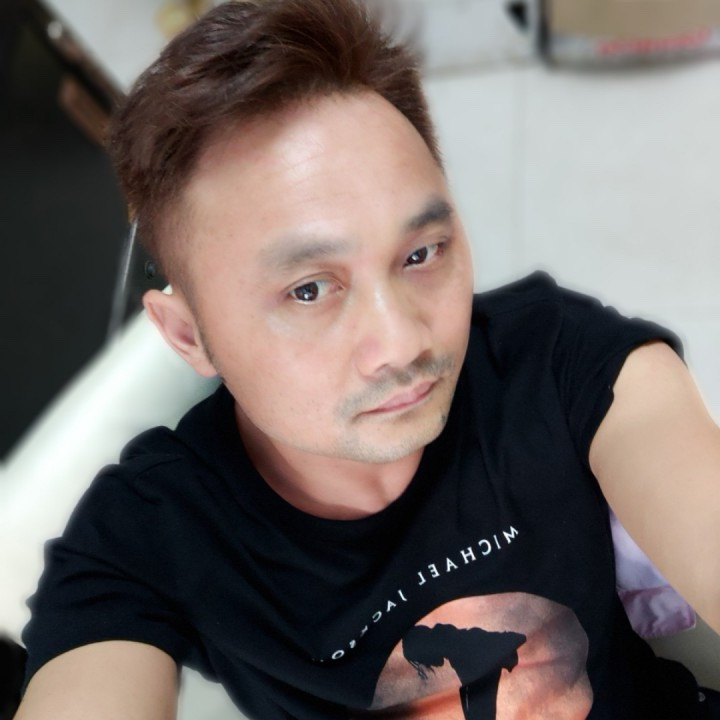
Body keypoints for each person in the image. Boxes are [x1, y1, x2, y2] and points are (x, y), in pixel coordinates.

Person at [13, 0, 720, 718]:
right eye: (309, 289)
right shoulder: (154, 532)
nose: (403, 342)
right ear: (189, 335)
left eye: (421, 254)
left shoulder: (558, 360)